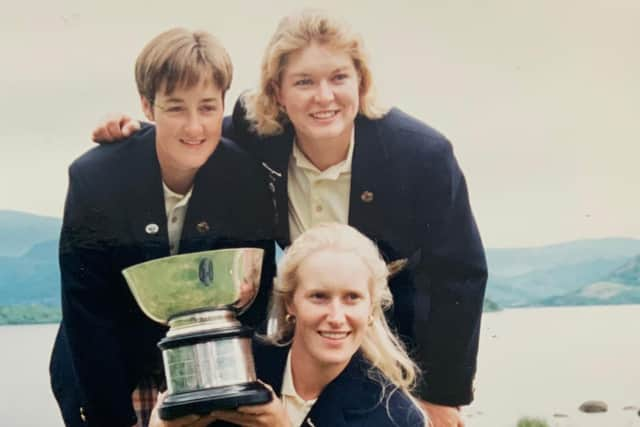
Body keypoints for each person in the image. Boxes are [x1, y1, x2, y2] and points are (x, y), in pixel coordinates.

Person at [92, 10, 488, 426]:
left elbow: (460, 275)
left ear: (362, 82)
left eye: (338, 78)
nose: (323, 96)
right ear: (277, 93)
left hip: (392, 329)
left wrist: (443, 396)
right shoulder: (258, 133)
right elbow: (199, 130)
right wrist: (138, 131)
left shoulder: (421, 156)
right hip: (310, 327)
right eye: (304, 82)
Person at [50, 28, 275, 427]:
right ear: (147, 107)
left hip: (212, 368)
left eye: (207, 108)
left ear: (222, 104)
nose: (194, 127)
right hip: (112, 368)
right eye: (175, 108)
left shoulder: (245, 177)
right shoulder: (96, 180)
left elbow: (255, 300)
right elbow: (88, 314)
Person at [149, 223, 427, 427]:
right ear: (291, 303)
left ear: (370, 309)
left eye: (352, 298)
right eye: (319, 297)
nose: (336, 316)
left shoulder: (396, 417)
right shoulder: (232, 370)